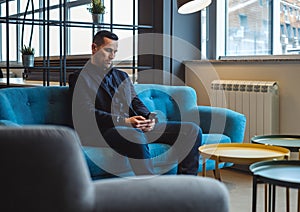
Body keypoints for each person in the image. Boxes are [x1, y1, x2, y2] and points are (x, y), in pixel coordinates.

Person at [69, 30, 202, 176]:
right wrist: (125, 121)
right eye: (108, 50)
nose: (112, 56)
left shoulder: (122, 76)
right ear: (94, 48)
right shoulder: (79, 77)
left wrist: (150, 117)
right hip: (104, 130)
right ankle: (151, 189)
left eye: (115, 51)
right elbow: (85, 113)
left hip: (133, 127)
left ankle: (186, 186)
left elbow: (135, 101)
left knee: (192, 130)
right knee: (133, 134)